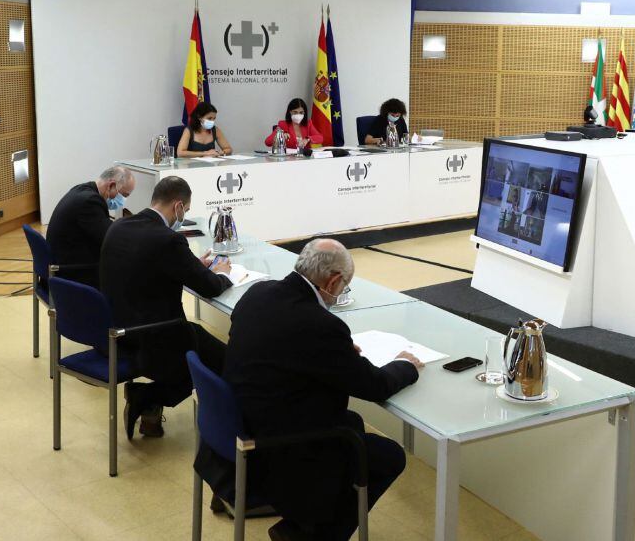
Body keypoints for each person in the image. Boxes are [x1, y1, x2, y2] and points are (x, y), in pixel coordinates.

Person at [196, 239, 422, 541]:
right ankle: (312, 536)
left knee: (352, 423)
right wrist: (404, 366)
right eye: (345, 286)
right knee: (389, 456)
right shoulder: (320, 324)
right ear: (333, 281)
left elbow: (281, 350)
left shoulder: (257, 294)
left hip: (239, 426)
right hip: (278, 447)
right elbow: (375, 386)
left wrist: (335, 354)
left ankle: (302, 523)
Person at [100, 176, 233, 439]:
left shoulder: (119, 227)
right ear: (178, 206)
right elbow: (209, 286)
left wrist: (191, 264)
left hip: (117, 328)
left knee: (198, 346)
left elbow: (149, 266)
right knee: (224, 360)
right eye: (186, 210)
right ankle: (146, 396)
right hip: (155, 333)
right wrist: (223, 273)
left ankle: (150, 406)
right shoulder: (167, 240)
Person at [47, 165, 135, 289]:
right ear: (111, 185)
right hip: (69, 274)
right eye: (124, 195)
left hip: (61, 264)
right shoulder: (90, 202)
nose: (123, 201)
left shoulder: (82, 189)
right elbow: (110, 239)